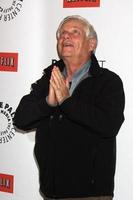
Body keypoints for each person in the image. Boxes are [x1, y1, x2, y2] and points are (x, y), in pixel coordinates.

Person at [13, 15, 125, 200]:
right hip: (50, 191)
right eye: (62, 33)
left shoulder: (107, 82)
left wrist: (66, 101)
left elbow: (109, 125)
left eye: (75, 32)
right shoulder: (48, 78)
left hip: (89, 194)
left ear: (91, 44)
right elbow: (20, 120)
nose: (66, 37)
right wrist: (48, 103)